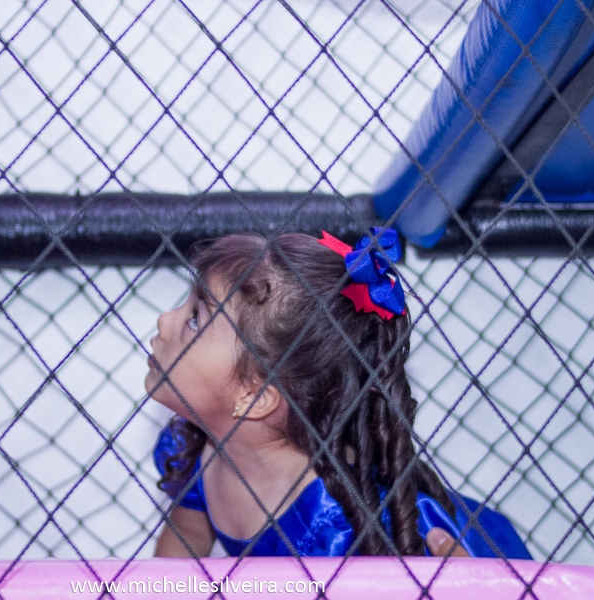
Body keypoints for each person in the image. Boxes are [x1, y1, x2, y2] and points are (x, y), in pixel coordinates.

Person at [146, 228, 531, 559]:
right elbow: (184, 545)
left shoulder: (333, 532)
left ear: (256, 394)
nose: (165, 321)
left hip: (481, 569)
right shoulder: (198, 448)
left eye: (196, 319)